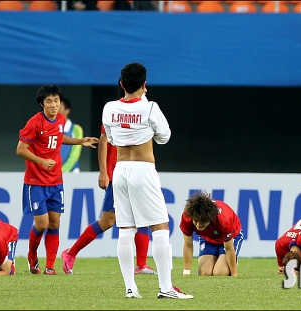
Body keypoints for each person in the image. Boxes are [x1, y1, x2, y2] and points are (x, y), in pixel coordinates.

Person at [102, 62, 193, 299]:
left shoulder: (109, 108)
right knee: (160, 228)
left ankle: (131, 288)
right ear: (144, 85)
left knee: (126, 229)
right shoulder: (150, 108)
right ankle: (165, 288)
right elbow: (164, 137)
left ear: (121, 84)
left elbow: (110, 137)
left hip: (119, 170)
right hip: (143, 169)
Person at [61, 82, 155, 275]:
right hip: (117, 174)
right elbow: (103, 143)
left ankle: (142, 265)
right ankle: (70, 253)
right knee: (107, 221)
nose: (145, 90)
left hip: (137, 173)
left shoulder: (144, 110)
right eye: (142, 87)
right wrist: (103, 171)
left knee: (142, 217)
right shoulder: (114, 110)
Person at [16, 84, 98, 275]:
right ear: (41, 104)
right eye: (49, 101)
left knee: (55, 223)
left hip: (56, 181)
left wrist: (80, 141)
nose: (53, 105)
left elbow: (58, 138)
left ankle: (50, 266)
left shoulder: (60, 120)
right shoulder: (34, 123)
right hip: (36, 182)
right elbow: (20, 149)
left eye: (56, 101)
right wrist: (41, 161)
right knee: (42, 224)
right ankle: (32, 255)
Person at [180, 191, 243, 277]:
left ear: (210, 218)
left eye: (203, 222)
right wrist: (186, 272)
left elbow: (228, 248)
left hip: (231, 237)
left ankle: (227, 261)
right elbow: (188, 244)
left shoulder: (224, 220)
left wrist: (234, 274)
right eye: (196, 221)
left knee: (220, 273)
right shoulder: (187, 216)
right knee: (205, 273)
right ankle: (218, 259)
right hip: (208, 238)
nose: (198, 225)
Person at [59, 96, 83, 173]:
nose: (56, 111)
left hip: (72, 172)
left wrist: (63, 171)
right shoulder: (49, 129)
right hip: (52, 175)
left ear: (67, 111)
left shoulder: (76, 129)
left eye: (59, 108)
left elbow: (75, 154)